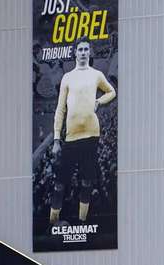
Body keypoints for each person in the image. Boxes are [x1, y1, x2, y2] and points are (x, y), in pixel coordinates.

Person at [50, 38, 117, 224]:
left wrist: (98, 102)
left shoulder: (96, 74)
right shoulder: (67, 77)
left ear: (90, 52)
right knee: (60, 182)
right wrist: (56, 140)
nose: (83, 52)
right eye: (80, 49)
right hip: (71, 137)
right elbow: (60, 109)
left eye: (86, 49)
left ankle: (82, 221)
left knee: (87, 181)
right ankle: (52, 219)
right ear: (75, 53)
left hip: (91, 135)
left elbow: (111, 91)